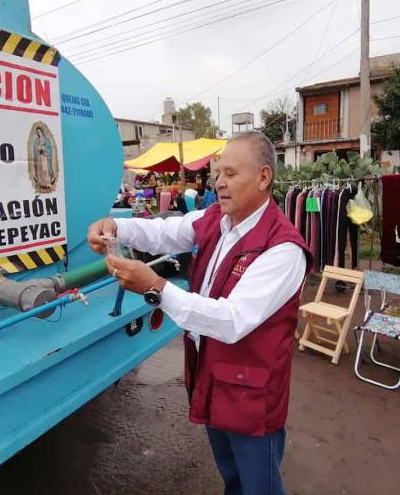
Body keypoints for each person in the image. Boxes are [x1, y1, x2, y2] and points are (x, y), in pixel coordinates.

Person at [87, 131, 311, 495]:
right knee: (232, 476)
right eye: (218, 173)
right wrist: (117, 227)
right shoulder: (217, 221)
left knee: (260, 486)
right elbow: (164, 231)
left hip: (251, 398)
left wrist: (157, 287)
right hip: (214, 377)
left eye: (232, 174)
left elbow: (232, 320)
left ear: (264, 177)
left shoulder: (282, 249)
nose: (219, 182)